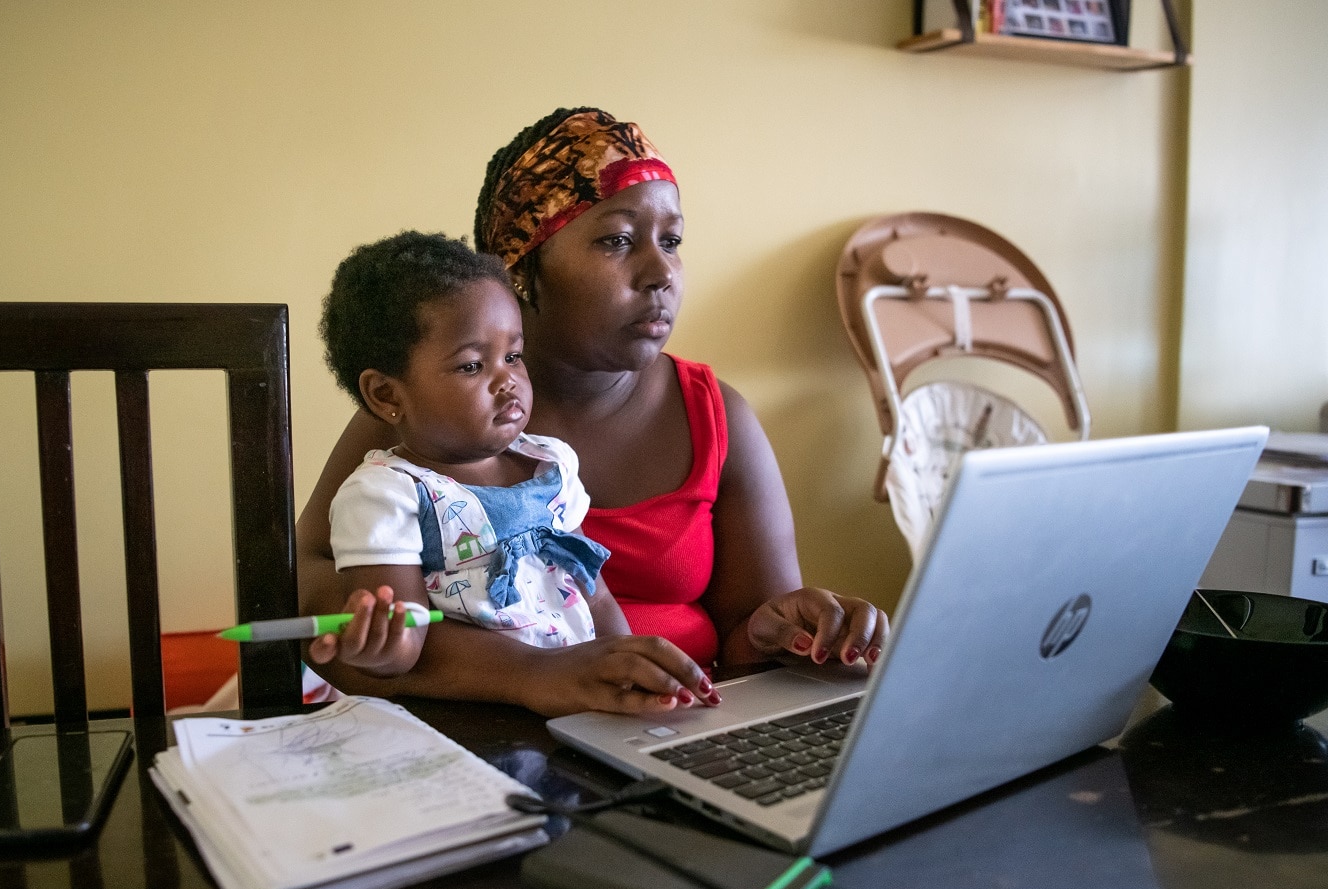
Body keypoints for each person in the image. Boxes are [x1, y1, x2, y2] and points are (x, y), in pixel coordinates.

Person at [296, 107, 888, 716]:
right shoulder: (434, 414)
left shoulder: (717, 416)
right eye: (617, 240)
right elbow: (324, 609)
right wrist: (533, 674)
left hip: (665, 732)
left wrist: (785, 635)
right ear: (521, 268)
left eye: (673, 241)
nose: (661, 273)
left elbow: (746, 652)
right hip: (477, 738)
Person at [319, 231, 674, 689]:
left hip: (582, 708)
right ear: (386, 394)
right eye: (472, 365)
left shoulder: (551, 466)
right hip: (473, 723)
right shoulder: (385, 496)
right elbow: (406, 646)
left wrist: (634, 670)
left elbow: (595, 596)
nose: (507, 381)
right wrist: (378, 646)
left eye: (513, 356)